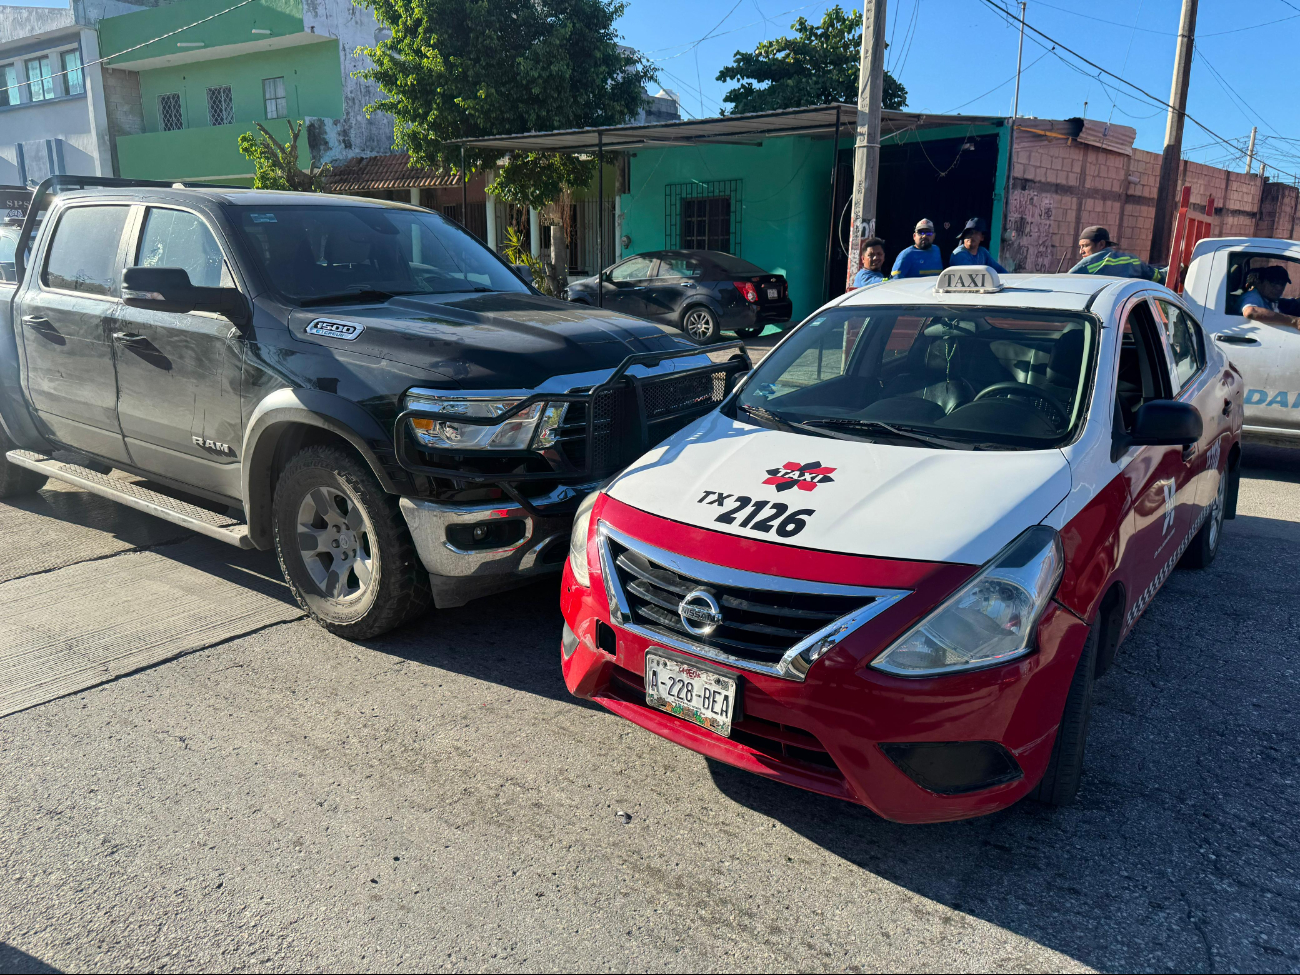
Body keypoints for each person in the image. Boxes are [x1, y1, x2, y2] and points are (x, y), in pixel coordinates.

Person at [1068, 226, 1165, 282]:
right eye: (1080, 247)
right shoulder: (1132, 260)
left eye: (1085, 246)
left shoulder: (1090, 264)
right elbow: (1157, 276)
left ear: (1101, 244)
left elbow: (1067, 281)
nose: (1081, 251)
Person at [1240, 264, 1300, 330]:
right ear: (1260, 282)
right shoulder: (1253, 296)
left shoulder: (1268, 299)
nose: (1279, 288)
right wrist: (1294, 321)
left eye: (1282, 284)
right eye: (1274, 283)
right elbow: (1250, 312)